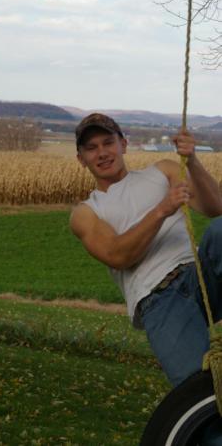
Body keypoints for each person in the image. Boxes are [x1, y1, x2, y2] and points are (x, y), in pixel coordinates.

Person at [70, 113, 222, 445]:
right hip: (159, 301)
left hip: (199, 275)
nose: (102, 152)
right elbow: (118, 256)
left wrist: (192, 160)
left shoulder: (164, 171)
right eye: (92, 148)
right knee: (202, 395)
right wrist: (161, 211)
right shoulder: (86, 212)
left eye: (108, 142)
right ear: (81, 159)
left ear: (123, 144)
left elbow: (216, 207)